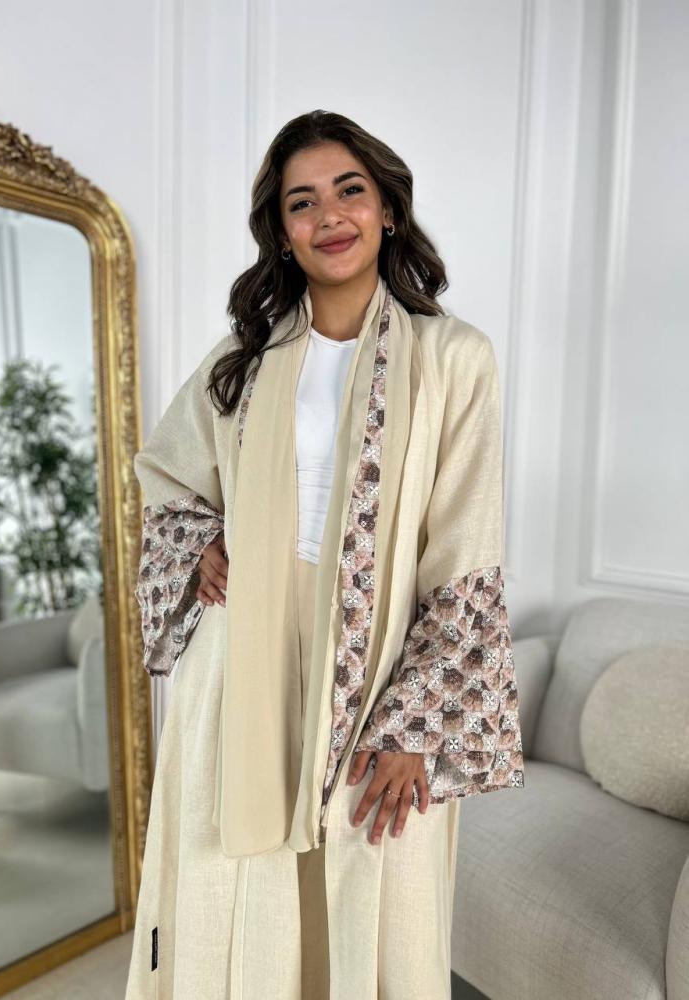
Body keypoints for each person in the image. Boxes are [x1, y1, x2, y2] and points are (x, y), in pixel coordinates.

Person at [125, 109, 525, 1000]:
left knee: (375, 875)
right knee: (231, 882)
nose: (329, 215)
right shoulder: (243, 360)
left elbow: (465, 546)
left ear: (388, 209)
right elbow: (166, 474)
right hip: (241, 654)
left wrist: (417, 726)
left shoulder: (453, 357)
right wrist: (201, 542)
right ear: (282, 232)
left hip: (380, 661)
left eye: (350, 190)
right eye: (301, 202)